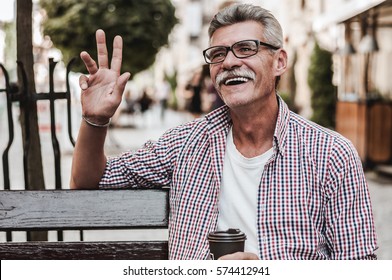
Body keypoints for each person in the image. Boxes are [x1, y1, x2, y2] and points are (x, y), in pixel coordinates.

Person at [71, 4, 378, 260]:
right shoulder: (185, 143)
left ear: (279, 62)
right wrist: (95, 119)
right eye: (218, 54)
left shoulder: (330, 154)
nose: (229, 62)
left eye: (246, 49)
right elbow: (87, 181)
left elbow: (359, 267)